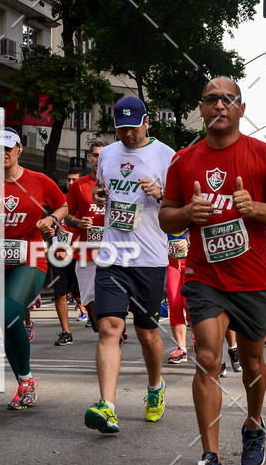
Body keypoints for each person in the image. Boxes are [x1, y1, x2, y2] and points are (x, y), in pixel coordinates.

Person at [159, 76, 266, 465]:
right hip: (205, 278)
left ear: (240, 108)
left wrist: (254, 208)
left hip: (252, 279)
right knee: (208, 358)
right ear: (200, 109)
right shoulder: (184, 161)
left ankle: (254, 424)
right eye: (211, 100)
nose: (219, 106)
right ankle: (210, 458)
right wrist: (188, 214)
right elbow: (166, 215)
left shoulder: (263, 155)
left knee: (253, 363)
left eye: (228, 99)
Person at [83, 97, 175, 434]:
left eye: (133, 127)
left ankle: (155, 387)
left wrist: (161, 193)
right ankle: (107, 406)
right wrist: (98, 195)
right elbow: (100, 188)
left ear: (146, 121)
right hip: (112, 256)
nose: (127, 134)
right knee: (108, 327)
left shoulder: (166, 156)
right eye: (121, 128)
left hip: (149, 259)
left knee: (147, 333)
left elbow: (177, 206)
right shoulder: (107, 154)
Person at [0, 128, 67, 407]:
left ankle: (27, 379)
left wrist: (52, 221)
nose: (2, 152)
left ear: (19, 149)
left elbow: (62, 206)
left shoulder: (39, 181)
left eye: (8, 147)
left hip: (31, 257)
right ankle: (24, 381)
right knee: (6, 319)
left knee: (8, 311)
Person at [65, 142, 107, 333]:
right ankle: (100, 325)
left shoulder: (117, 182)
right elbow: (67, 214)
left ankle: (113, 329)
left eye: (102, 155)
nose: (98, 160)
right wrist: (78, 223)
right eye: (95, 155)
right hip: (86, 250)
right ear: (89, 158)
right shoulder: (79, 185)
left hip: (113, 249)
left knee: (112, 294)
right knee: (89, 296)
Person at [49, 167, 85, 346]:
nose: (71, 183)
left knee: (84, 296)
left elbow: (86, 230)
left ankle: (108, 326)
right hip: (58, 254)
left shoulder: (85, 200)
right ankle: (66, 332)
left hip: (79, 254)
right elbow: (51, 225)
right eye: (69, 180)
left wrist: (70, 250)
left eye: (75, 180)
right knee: (60, 294)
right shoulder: (59, 201)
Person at [166, 228, 190, 363]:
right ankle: (181, 349)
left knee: (190, 305)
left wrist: (189, 241)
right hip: (172, 264)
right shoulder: (167, 213)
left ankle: (198, 340)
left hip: (192, 264)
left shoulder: (194, 211)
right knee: (174, 304)